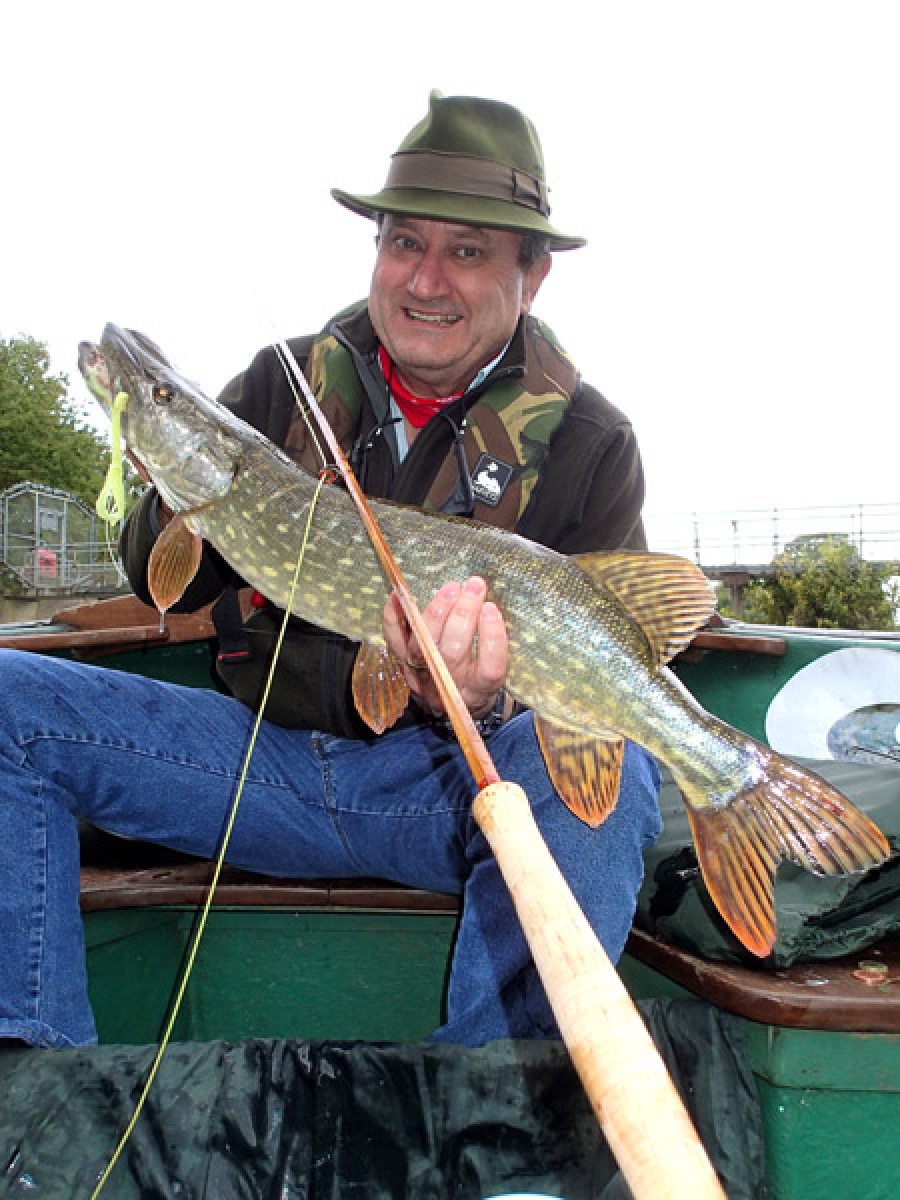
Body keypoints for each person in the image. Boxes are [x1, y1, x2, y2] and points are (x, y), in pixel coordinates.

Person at [0, 91, 661, 1050]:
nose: (426, 279)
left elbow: (605, 686)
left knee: (607, 778)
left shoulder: (593, 444)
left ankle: (493, 1128)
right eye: (404, 243)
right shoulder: (281, 383)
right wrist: (162, 478)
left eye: (467, 251)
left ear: (534, 274)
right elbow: (160, 578)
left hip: (449, 797)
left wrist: (472, 703)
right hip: (251, 764)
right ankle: (32, 1094)